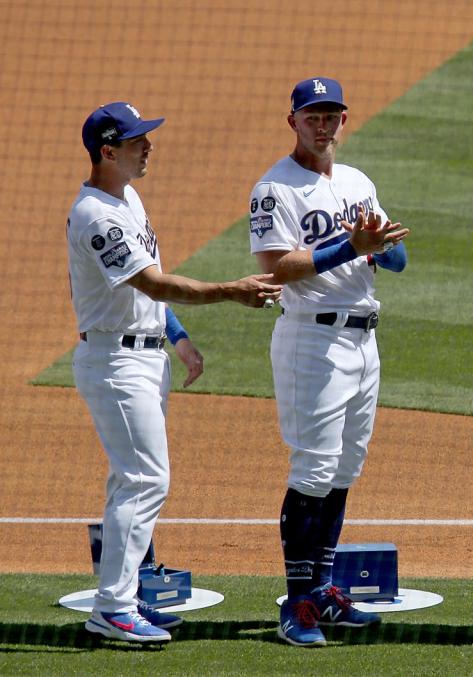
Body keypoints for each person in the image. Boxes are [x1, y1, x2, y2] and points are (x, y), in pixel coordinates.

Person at [68, 102, 282, 643]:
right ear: (108, 152)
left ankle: (126, 595)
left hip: (143, 357)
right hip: (116, 363)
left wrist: (179, 339)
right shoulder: (97, 214)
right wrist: (232, 291)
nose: (149, 146)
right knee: (146, 480)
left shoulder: (128, 198)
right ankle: (113, 608)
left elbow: (152, 286)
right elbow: (156, 284)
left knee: (132, 481)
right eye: (138, 140)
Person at [249, 76, 409, 647]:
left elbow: (398, 256)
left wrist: (381, 245)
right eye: (312, 116)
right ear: (292, 120)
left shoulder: (358, 182)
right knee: (313, 471)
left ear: (345, 119)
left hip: (364, 340)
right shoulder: (275, 188)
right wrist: (351, 246)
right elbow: (276, 266)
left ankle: (322, 591)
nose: (323, 125)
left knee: (343, 471)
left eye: (332, 115)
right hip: (312, 342)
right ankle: (296, 606)